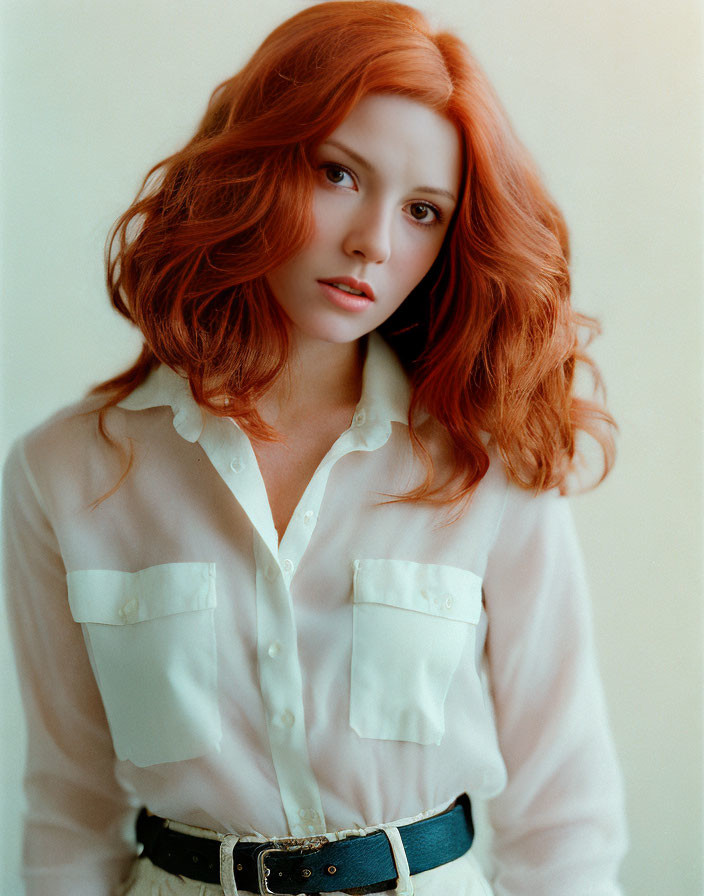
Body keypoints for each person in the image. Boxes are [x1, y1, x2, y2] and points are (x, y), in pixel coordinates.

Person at [2, 1, 628, 894]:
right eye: (338, 174)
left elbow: (567, 810)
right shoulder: (64, 472)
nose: (374, 241)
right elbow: (67, 807)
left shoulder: (487, 467)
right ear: (250, 165)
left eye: (423, 210)